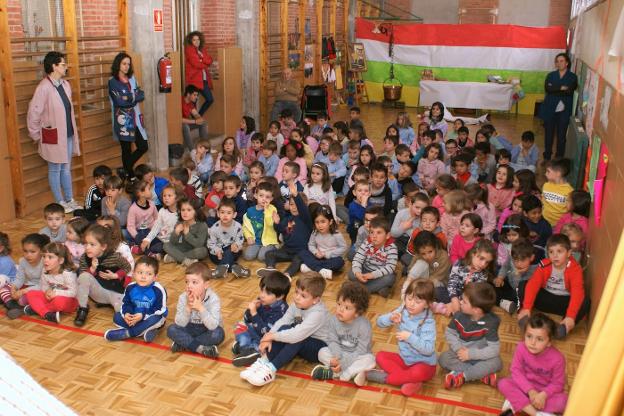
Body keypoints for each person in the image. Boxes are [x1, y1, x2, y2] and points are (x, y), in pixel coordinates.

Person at [240, 273, 329, 387]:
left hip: (317, 347)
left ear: (316, 300)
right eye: (296, 292)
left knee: (296, 335)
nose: (297, 297)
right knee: (284, 328)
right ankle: (263, 361)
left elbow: (297, 335)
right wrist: (267, 337)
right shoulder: (296, 305)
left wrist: (271, 336)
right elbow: (282, 321)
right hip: (300, 344)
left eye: (303, 296)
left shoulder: (318, 314)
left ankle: (271, 369)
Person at [27, 51, 82, 213]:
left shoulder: (65, 85)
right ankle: (59, 202)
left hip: (68, 134)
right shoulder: (43, 87)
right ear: (54, 66)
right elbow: (33, 113)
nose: (66, 67)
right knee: (55, 169)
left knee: (66, 168)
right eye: (63, 64)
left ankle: (69, 199)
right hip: (52, 136)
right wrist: (36, 135)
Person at [364, 279, 437, 396]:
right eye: (409, 298)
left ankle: (386, 378)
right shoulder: (403, 309)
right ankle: (410, 380)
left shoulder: (428, 322)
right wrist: (390, 318)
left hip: (424, 365)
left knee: (418, 372)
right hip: (405, 360)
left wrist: (410, 337)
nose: (411, 304)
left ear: (427, 304)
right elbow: (379, 322)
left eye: (418, 302)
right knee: (380, 356)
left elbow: (429, 350)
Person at [518, 234, 590, 340]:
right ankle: (524, 314)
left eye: (559, 251)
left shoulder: (575, 268)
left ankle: (564, 326)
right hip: (545, 299)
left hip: (563, 303)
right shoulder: (544, 264)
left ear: (569, 253)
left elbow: (577, 293)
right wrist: (527, 307)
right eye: (551, 252)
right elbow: (533, 285)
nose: (555, 256)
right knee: (524, 285)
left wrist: (570, 315)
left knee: (585, 301)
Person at [498, 313, 568, 416]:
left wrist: (543, 395)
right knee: (503, 383)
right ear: (524, 335)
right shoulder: (521, 347)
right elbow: (516, 371)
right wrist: (530, 391)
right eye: (529, 336)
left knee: (564, 402)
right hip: (524, 387)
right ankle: (536, 413)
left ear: (549, 342)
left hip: (544, 393)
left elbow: (557, 384)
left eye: (539, 339)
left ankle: (518, 404)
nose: (532, 342)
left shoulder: (558, 359)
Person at [439, 282, 502, 389]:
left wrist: (471, 354)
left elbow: (494, 349)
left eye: (464, 301)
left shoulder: (491, 322)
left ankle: (463, 376)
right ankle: (481, 375)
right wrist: (458, 349)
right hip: (459, 353)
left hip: (479, 355)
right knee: (443, 359)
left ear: (476, 310)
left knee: (497, 363)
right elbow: (449, 333)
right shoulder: (458, 315)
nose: (460, 302)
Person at [311, 281, 375, 384]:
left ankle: (340, 374)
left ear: (357, 313)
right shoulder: (333, 320)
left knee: (370, 359)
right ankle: (352, 373)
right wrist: (337, 357)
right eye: (339, 304)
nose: (340, 309)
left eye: (346, 308)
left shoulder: (364, 325)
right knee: (322, 352)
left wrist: (343, 363)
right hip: (340, 353)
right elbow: (332, 340)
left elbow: (361, 350)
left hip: (357, 355)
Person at [74, 224, 132, 327]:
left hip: (115, 292)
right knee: (83, 277)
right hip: (98, 293)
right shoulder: (85, 258)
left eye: (92, 244)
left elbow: (128, 267)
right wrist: (91, 269)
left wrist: (116, 275)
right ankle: (82, 308)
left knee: (123, 315)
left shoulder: (114, 256)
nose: (88, 248)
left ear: (103, 246)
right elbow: (82, 278)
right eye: (86, 244)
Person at [232, 271, 290, 367]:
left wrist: (254, 313)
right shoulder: (263, 301)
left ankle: (250, 349)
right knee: (240, 325)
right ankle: (246, 347)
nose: (262, 295)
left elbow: (265, 332)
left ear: (280, 296)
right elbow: (247, 319)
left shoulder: (280, 311)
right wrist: (251, 310)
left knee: (253, 335)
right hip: (258, 331)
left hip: (268, 338)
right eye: (261, 290)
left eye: (267, 293)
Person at [104, 256, 167, 342]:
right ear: (134, 273)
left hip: (150, 316)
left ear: (155, 277)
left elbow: (160, 310)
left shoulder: (158, 289)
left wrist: (143, 315)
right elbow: (126, 304)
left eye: (149, 274)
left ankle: (128, 333)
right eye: (140, 272)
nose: (143, 277)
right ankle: (146, 330)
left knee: (156, 318)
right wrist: (127, 314)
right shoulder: (130, 287)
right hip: (135, 317)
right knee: (117, 317)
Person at [167, 262, 224, 358]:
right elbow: (179, 323)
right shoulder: (183, 297)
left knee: (218, 333)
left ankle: (184, 343)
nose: (189, 286)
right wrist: (188, 308)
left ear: (206, 285)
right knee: (171, 329)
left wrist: (201, 308)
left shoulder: (213, 299)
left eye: (194, 282)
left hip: (206, 330)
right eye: (187, 282)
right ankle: (201, 349)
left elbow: (213, 326)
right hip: (189, 328)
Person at [108, 52, 148, 181]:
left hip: (135, 117)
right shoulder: (113, 81)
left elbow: (141, 95)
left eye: (128, 64)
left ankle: (125, 169)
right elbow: (119, 102)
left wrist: (129, 97)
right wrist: (133, 97)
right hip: (123, 120)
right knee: (126, 150)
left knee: (143, 146)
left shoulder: (132, 78)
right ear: (118, 64)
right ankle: (131, 176)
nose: (126, 67)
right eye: (124, 64)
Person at [24, 242, 77, 324]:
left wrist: (56, 293)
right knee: (30, 294)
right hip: (51, 298)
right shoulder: (45, 271)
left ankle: (37, 309)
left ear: (61, 260)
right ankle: (47, 314)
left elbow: (73, 292)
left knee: (59, 301)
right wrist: (47, 291)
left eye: (50, 257)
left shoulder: (68, 273)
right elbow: (44, 287)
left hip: (69, 300)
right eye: (44, 256)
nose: (45, 260)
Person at [538, 53, 578, 161]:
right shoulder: (551, 75)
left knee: (561, 136)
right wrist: (561, 88)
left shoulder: (572, 77)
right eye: (557, 61)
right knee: (548, 134)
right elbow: (548, 89)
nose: (559, 63)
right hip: (550, 108)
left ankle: (559, 158)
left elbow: (569, 91)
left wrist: (555, 89)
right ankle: (547, 156)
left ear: (567, 63)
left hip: (564, 111)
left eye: (561, 61)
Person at [1, 233, 49, 319]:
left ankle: (18, 306)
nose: (28, 255)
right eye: (25, 251)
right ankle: (13, 305)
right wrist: (14, 287)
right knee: (4, 288)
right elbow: (20, 278)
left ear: (42, 251)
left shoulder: (45, 263)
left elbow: (43, 285)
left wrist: (23, 291)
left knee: (26, 298)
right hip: (26, 285)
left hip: (40, 288)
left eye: (32, 252)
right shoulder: (22, 261)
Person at [349, 218, 398, 298]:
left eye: (379, 233)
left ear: (387, 235)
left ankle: (362, 290)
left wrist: (373, 275)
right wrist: (358, 273)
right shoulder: (367, 243)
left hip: (381, 274)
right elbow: (357, 259)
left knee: (390, 278)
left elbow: (390, 267)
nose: (374, 236)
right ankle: (379, 288)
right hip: (366, 270)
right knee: (351, 273)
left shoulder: (392, 248)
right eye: (372, 232)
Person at [299, 205, 347, 281]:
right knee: (302, 252)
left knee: (339, 262)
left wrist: (327, 254)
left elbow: (343, 248)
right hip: (317, 257)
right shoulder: (314, 232)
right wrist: (315, 252)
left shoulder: (336, 234)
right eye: (317, 222)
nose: (320, 225)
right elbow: (311, 245)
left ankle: (311, 267)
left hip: (331, 259)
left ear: (330, 221)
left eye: (323, 222)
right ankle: (321, 271)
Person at [207, 200, 249, 279]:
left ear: (234, 215)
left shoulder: (238, 226)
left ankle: (220, 269)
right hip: (218, 254)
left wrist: (236, 245)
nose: (225, 215)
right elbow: (210, 244)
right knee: (215, 256)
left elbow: (240, 240)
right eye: (222, 212)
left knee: (229, 253)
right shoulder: (214, 228)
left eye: (229, 213)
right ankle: (234, 267)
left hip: (232, 251)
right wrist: (217, 251)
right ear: (218, 214)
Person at [163, 198, 209, 266]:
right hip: (183, 248)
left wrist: (187, 234)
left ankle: (175, 257)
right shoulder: (180, 222)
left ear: (196, 211)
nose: (185, 212)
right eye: (183, 210)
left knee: (203, 251)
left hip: (195, 250)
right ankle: (186, 260)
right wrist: (176, 232)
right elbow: (172, 242)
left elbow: (199, 244)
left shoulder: (202, 225)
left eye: (189, 210)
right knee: (165, 245)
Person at [243, 182, 280, 262]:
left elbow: (271, 224)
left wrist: (266, 211)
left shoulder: (272, 209)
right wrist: (248, 237)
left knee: (261, 257)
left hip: (268, 241)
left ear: (271, 199)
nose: (264, 199)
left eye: (267, 197)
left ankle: (273, 247)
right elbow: (245, 226)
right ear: (255, 195)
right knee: (248, 256)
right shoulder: (250, 211)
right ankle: (259, 248)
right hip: (256, 241)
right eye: (261, 195)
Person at [184, 31, 214, 115]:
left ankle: (198, 116)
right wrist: (205, 63)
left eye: (198, 40)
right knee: (192, 102)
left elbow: (210, 60)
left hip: (203, 80)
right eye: (194, 40)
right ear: (191, 41)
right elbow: (196, 64)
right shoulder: (189, 50)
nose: (197, 42)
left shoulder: (202, 49)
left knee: (210, 99)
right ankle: (192, 121)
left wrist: (202, 57)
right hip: (194, 80)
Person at [181, 85, 208, 151]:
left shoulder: (190, 103)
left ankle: (205, 147)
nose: (196, 97)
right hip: (180, 124)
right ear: (188, 94)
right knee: (185, 126)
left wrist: (199, 118)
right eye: (194, 95)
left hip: (187, 123)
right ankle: (192, 151)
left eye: (197, 95)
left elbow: (196, 114)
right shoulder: (180, 101)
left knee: (203, 123)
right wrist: (195, 121)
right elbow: (179, 119)